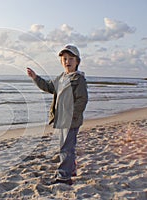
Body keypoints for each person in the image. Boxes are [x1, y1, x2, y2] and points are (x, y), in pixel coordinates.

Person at [27, 44, 88, 185]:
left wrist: (73, 116)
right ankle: (71, 169)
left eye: (71, 58)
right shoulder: (61, 77)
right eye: (65, 59)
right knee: (68, 146)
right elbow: (49, 87)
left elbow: (82, 100)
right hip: (62, 119)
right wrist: (35, 78)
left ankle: (64, 177)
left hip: (71, 120)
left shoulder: (78, 79)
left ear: (77, 61)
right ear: (61, 61)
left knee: (65, 148)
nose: (67, 61)